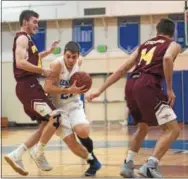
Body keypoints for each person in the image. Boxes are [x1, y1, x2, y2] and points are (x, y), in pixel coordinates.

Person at [86, 18, 181, 178]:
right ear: (173, 33)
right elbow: (166, 58)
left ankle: (128, 164)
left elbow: (123, 69)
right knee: (173, 130)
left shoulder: (144, 44)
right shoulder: (173, 45)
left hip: (131, 83)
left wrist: (99, 91)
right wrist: (170, 89)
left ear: (156, 31)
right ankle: (150, 165)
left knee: (142, 127)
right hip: (148, 84)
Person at [4, 9, 63, 176]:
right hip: (27, 86)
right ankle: (38, 152)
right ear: (25, 22)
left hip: (30, 86)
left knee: (46, 124)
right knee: (57, 117)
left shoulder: (28, 39)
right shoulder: (22, 37)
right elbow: (21, 62)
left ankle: (16, 155)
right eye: (34, 21)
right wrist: (43, 71)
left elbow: (33, 58)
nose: (37, 25)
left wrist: (49, 52)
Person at [43, 41, 102, 176]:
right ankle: (93, 162)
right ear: (64, 54)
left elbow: (81, 73)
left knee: (82, 130)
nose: (71, 60)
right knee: (71, 142)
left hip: (73, 102)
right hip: (57, 107)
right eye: (68, 56)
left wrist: (83, 86)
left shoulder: (79, 61)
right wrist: (69, 88)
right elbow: (47, 88)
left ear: (78, 56)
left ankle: (89, 149)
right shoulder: (56, 65)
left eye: (74, 57)